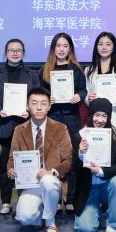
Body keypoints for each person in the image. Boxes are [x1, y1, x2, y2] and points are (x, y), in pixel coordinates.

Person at [6, 87, 72, 232]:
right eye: (34, 103)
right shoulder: (19, 130)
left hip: (53, 181)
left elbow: (68, 160)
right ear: (27, 106)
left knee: (48, 181)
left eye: (43, 103)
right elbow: (11, 159)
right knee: (24, 218)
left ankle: (50, 221)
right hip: (30, 183)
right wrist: (11, 170)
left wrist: (51, 173)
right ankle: (44, 209)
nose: (39, 107)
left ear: (49, 106)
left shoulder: (60, 128)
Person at [0, 38, 41, 215]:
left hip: (25, 125)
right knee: (5, 166)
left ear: (23, 53)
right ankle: (5, 201)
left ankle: (24, 200)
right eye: (11, 50)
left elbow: (37, 99)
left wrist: (30, 110)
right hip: (3, 126)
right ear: (6, 52)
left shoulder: (32, 75)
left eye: (18, 50)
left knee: (26, 165)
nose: (15, 53)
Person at [39, 32, 87, 212]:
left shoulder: (77, 69)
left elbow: (83, 90)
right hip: (52, 118)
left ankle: (70, 198)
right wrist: (47, 99)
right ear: (53, 48)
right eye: (58, 46)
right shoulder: (45, 70)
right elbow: (39, 94)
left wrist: (79, 96)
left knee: (71, 158)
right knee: (52, 158)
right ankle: (55, 197)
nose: (61, 49)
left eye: (65, 46)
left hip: (71, 118)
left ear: (70, 49)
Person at [73, 98, 116, 232]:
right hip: (88, 188)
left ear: (109, 117)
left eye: (104, 116)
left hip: (107, 185)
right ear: (90, 115)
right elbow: (73, 169)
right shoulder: (79, 136)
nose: (100, 120)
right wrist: (81, 154)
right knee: (85, 229)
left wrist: (101, 171)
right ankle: (96, 209)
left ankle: (113, 224)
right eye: (97, 115)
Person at [84, 32, 116, 133]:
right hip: (96, 121)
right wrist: (89, 98)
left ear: (113, 47)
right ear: (96, 47)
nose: (104, 47)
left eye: (108, 44)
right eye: (100, 44)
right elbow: (86, 93)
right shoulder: (89, 70)